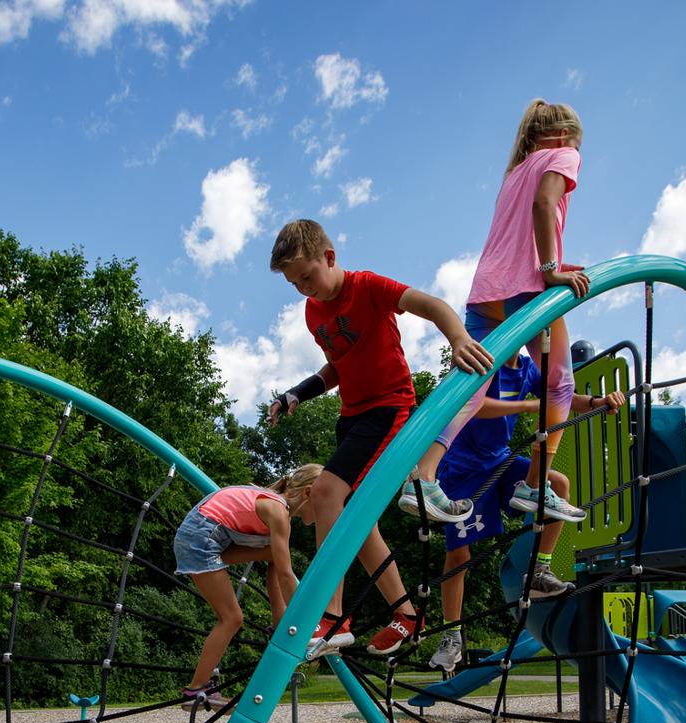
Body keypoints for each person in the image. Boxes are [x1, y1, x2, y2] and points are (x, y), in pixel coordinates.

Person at [266, 219, 492, 659]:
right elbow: (337, 366)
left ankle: (332, 618)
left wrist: (459, 338)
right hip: (351, 416)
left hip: (389, 409)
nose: (304, 290)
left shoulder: (367, 286)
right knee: (358, 519)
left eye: (307, 277)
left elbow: (432, 305)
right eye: (295, 284)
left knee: (327, 491)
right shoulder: (316, 313)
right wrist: (299, 392)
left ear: (329, 258)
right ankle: (406, 615)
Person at [399, 99, 592, 526]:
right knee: (559, 385)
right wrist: (551, 269)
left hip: (487, 289)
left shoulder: (514, 172)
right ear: (566, 136)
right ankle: (534, 487)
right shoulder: (564, 155)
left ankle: (424, 476)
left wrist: (558, 258)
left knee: (469, 388)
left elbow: (516, 235)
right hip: (525, 286)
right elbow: (545, 205)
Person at [426, 347, 625, 673]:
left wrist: (595, 402)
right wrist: (533, 404)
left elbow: (561, 395)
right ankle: (452, 634)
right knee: (458, 556)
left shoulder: (529, 369)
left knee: (558, 484)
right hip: (462, 471)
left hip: (500, 462)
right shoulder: (485, 362)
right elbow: (475, 406)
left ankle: (539, 572)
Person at [174, 465, 323, 710]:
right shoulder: (278, 512)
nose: (324, 509)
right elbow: (286, 576)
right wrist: (306, 619)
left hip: (209, 536)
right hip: (200, 539)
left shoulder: (275, 507)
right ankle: (195, 690)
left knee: (274, 555)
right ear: (307, 494)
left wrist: (284, 621)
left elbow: (277, 567)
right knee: (231, 618)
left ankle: (279, 623)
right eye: (323, 500)